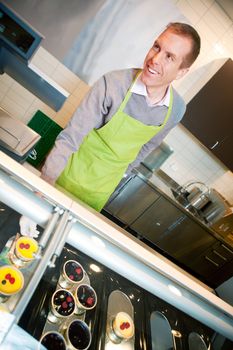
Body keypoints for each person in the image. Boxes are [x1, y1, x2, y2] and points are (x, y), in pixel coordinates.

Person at [41, 22, 201, 212]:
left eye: (169, 57)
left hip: (99, 193)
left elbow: (148, 145)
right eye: (157, 47)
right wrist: (44, 183)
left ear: (181, 72)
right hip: (63, 175)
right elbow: (71, 136)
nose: (155, 59)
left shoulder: (176, 110)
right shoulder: (113, 84)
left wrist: (122, 171)